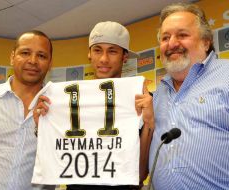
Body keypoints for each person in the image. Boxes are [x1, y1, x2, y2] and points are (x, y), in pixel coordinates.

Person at [34, 21, 154, 190]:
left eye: (112, 51)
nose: (104, 59)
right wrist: (44, 127)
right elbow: (55, 161)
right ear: (89, 54)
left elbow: (140, 176)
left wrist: (148, 123)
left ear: (124, 56)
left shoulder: (141, 99)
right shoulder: (67, 100)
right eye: (98, 50)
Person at [149, 3, 229, 189]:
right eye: (165, 37)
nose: (172, 43)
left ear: (205, 42)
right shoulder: (158, 93)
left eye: (182, 35)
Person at [0, 30, 53, 190]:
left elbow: (63, 162)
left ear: (50, 63)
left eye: (42, 56)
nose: (33, 61)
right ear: (12, 57)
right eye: (25, 53)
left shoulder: (59, 109)